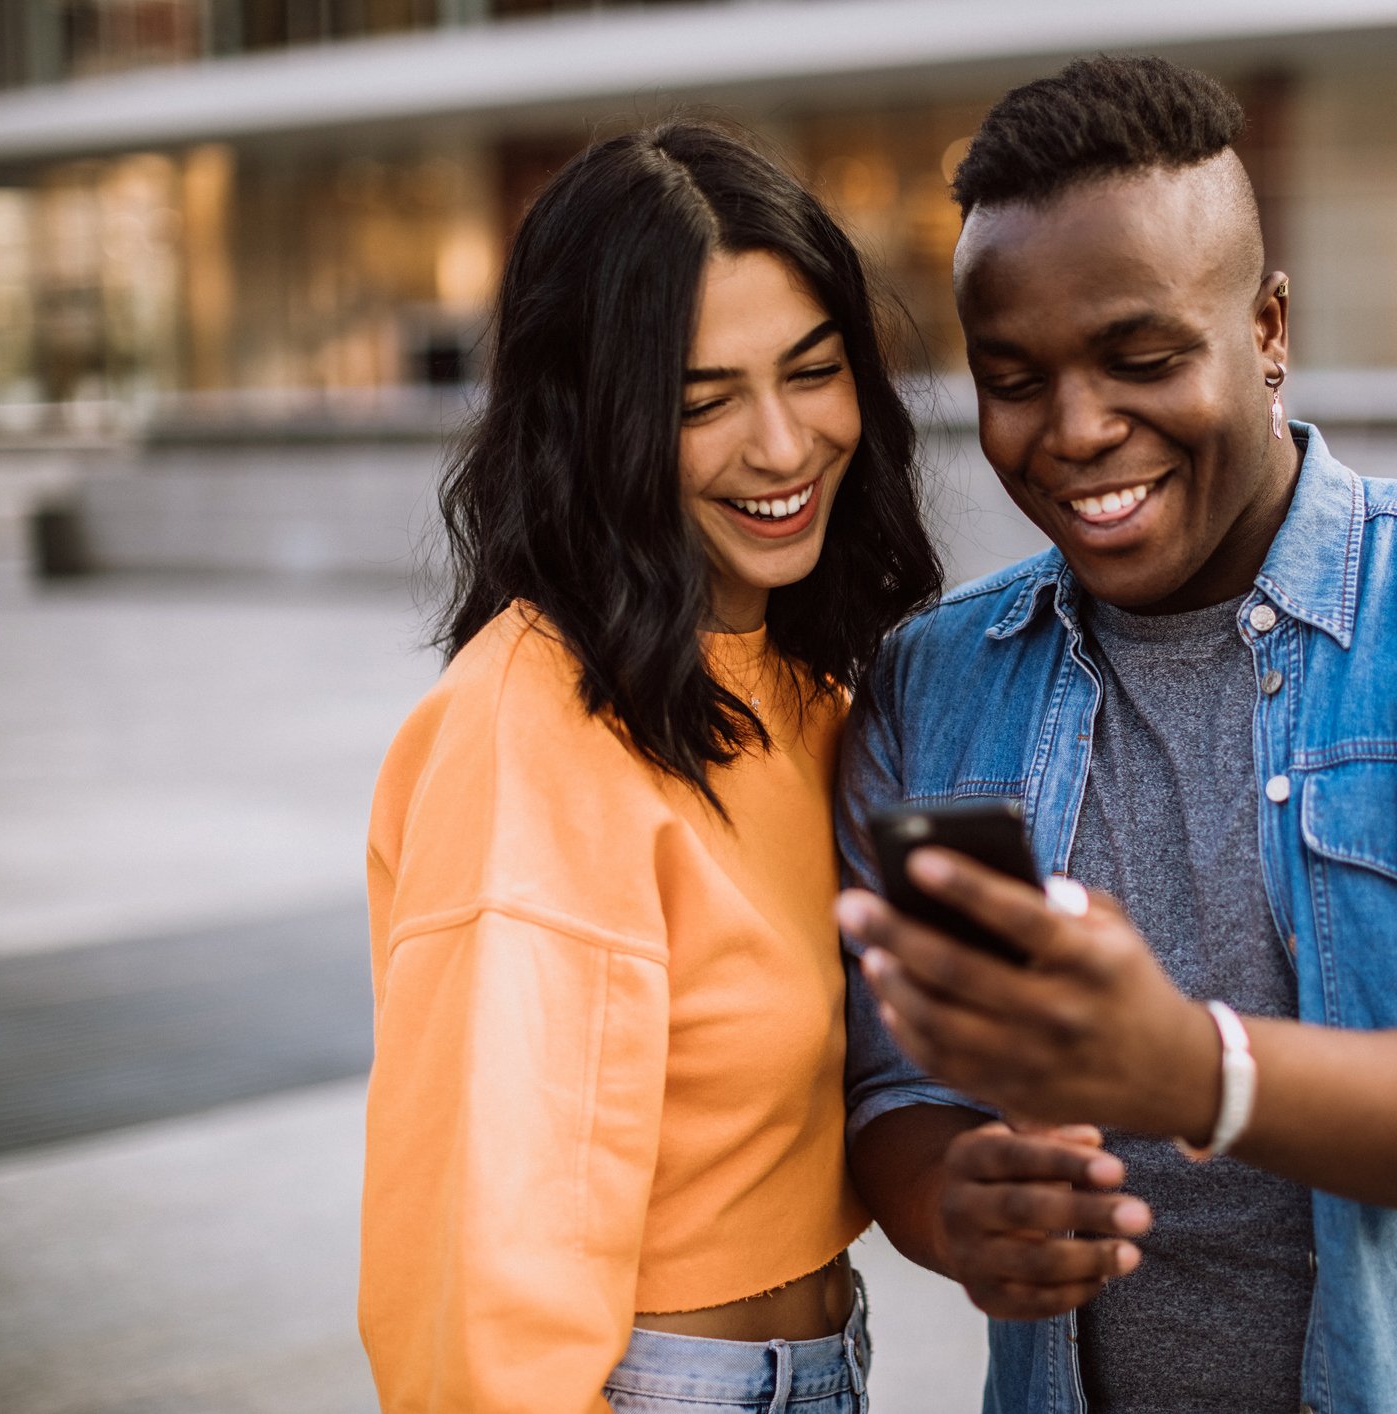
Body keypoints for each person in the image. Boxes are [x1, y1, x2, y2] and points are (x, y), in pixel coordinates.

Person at [834, 57, 1397, 1414]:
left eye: (1141, 359)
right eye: (1013, 377)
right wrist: (957, 1208)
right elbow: (893, 1089)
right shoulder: (931, 679)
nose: (1074, 431)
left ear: (1266, 328)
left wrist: (1194, 1069)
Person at [359, 119, 941, 1413]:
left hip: (816, 1363)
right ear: (595, 424)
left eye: (813, 371)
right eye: (702, 401)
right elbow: (483, 1233)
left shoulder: (808, 691)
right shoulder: (530, 730)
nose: (783, 446)